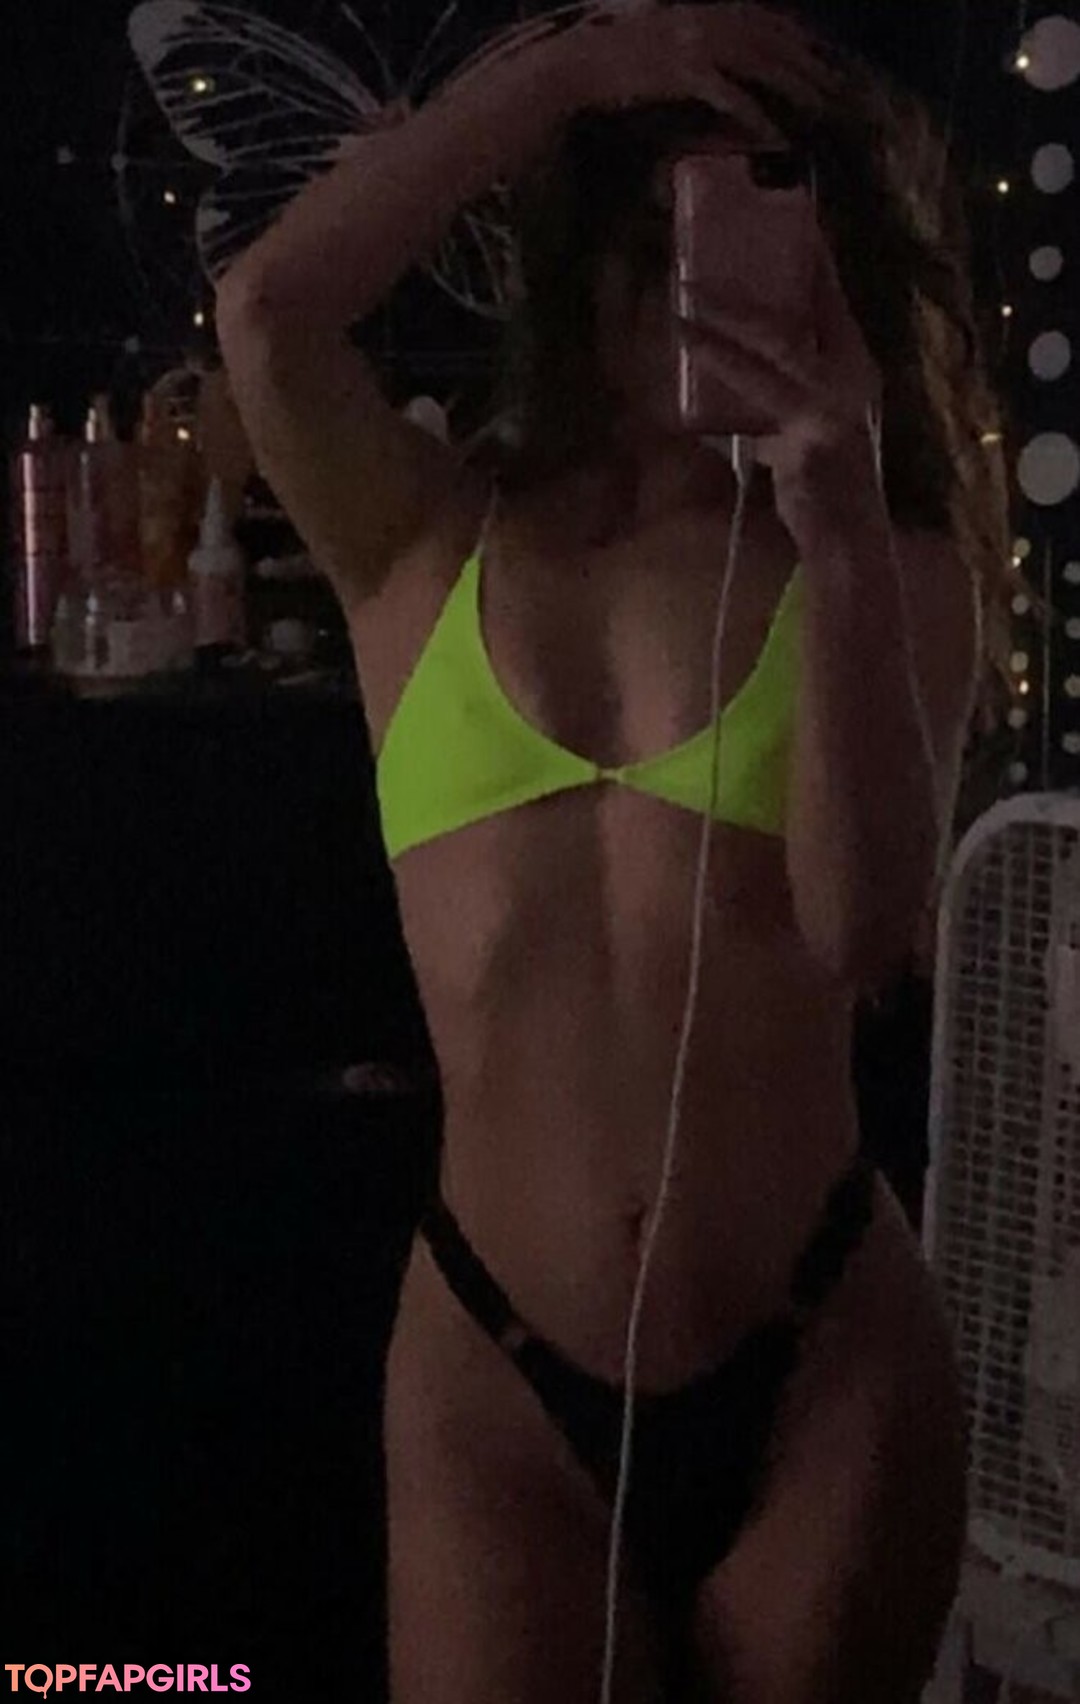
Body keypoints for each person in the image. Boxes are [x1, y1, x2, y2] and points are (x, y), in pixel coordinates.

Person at [215, 4, 1016, 1699]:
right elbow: (269, 314)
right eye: (650, 236)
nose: (687, 285)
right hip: (496, 1381)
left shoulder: (887, 571)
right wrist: (572, 69)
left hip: (820, 1374)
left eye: (743, 228)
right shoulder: (418, 537)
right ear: (579, 263)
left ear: (830, 267)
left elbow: (866, 934)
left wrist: (838, 523)